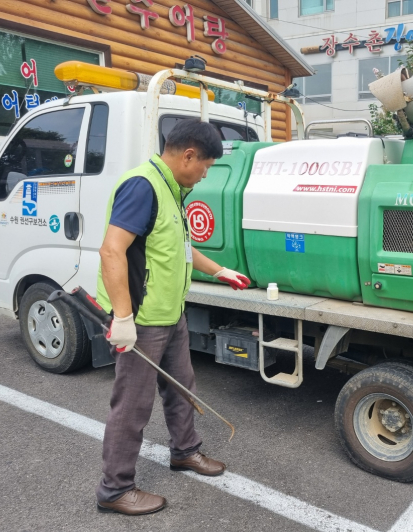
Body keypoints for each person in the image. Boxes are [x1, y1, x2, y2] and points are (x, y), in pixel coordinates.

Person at [94, 119, 250, 515]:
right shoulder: (142, 186)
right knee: (132, 405)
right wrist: (124, 318)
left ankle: (185, 452)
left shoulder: (171, 190)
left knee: (183, 388)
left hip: (170, 313)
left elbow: (177, 248)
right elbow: (112, 250)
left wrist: (218, 270)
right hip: (142, 318)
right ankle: (115, 490)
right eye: (206, 166)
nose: (205, 173)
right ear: (188, 155)